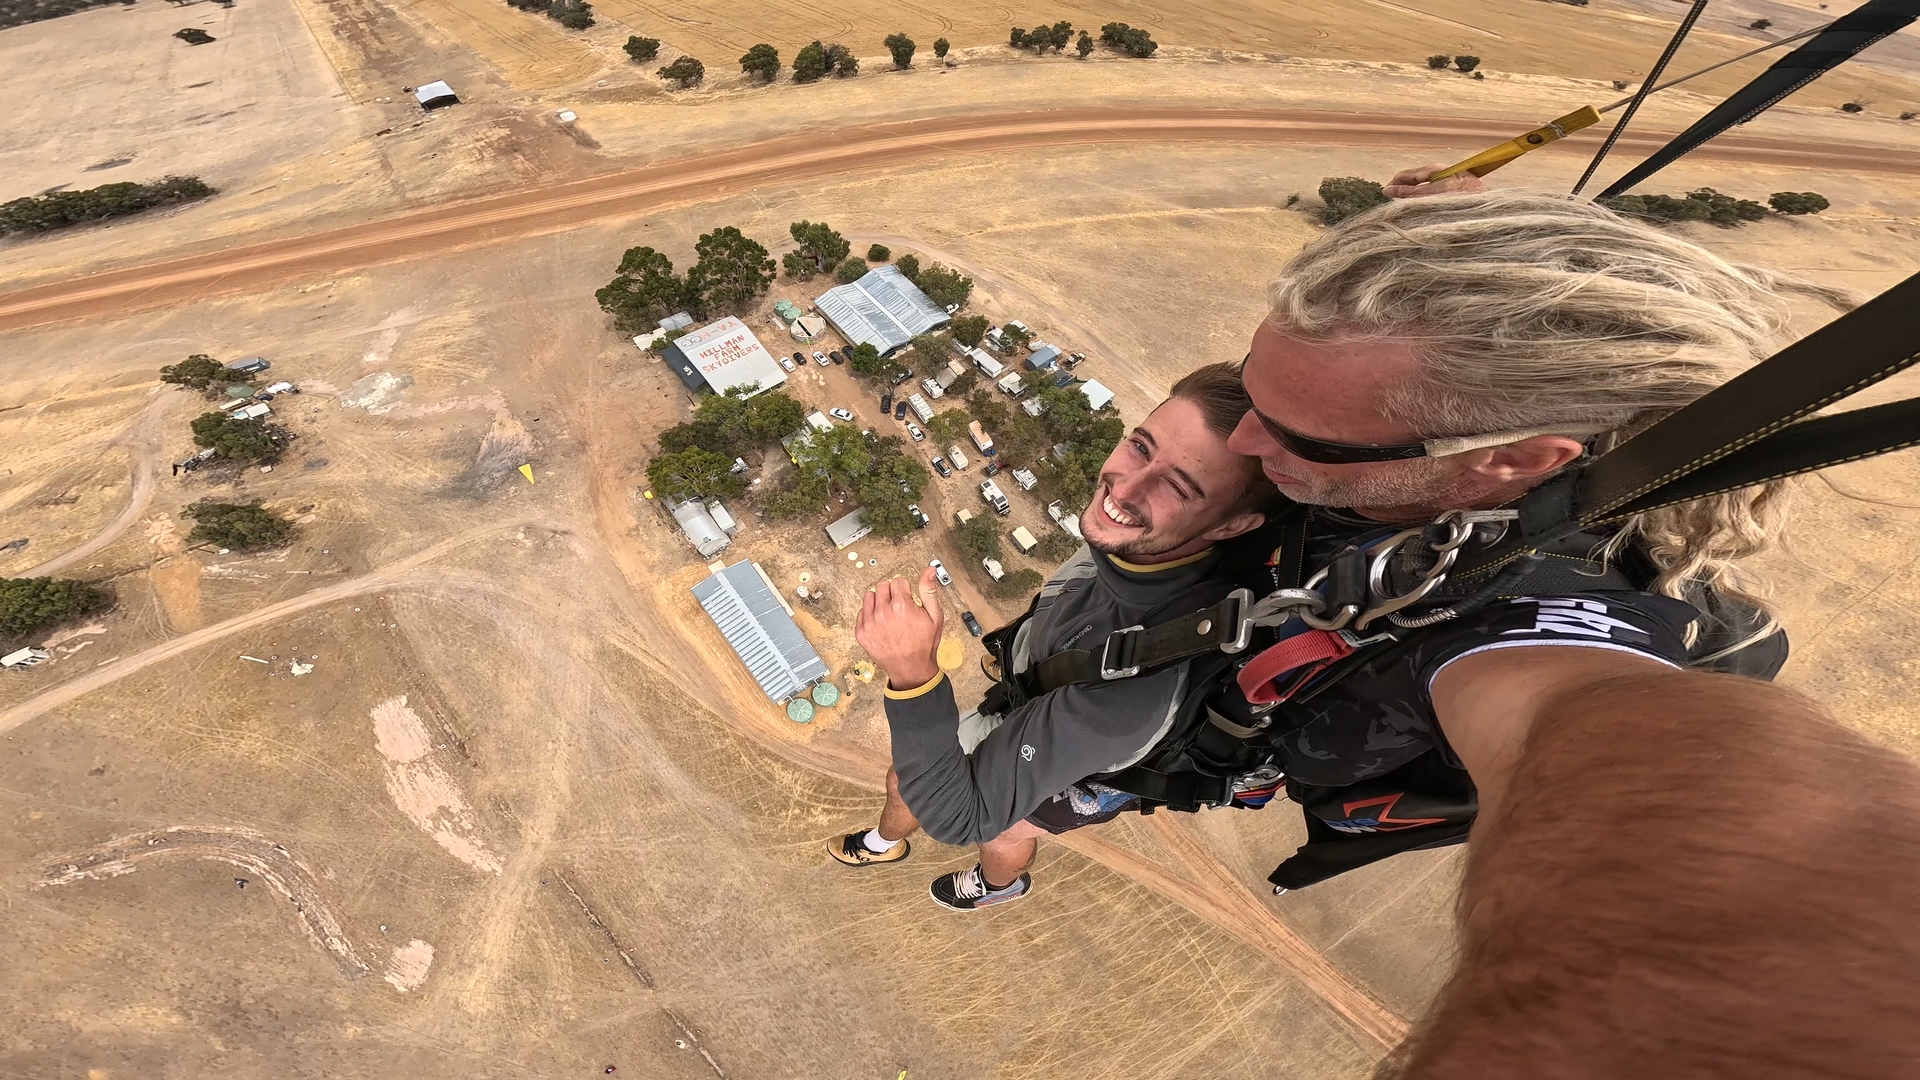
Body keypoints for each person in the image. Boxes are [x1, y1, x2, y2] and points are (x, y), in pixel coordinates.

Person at [1221, 190, 1918, 1072]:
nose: (1244, 437)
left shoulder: (1547, 621)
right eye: (1252, 383)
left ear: (1510, 463)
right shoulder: (1404, 452)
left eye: (1292, 433)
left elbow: (1602, 727)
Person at [835, 363, 1276, 910]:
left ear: (1230, 526)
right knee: (909, 780)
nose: (1126, 486)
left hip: (1088, 763)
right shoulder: (1136, 546)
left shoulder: (1141, 684)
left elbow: (962, 816)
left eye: (1178, 487)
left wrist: (913, 676)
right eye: (1141, 447)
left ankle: (1000, 885)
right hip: (1037, 696)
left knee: (999, 833)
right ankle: (885, 842)